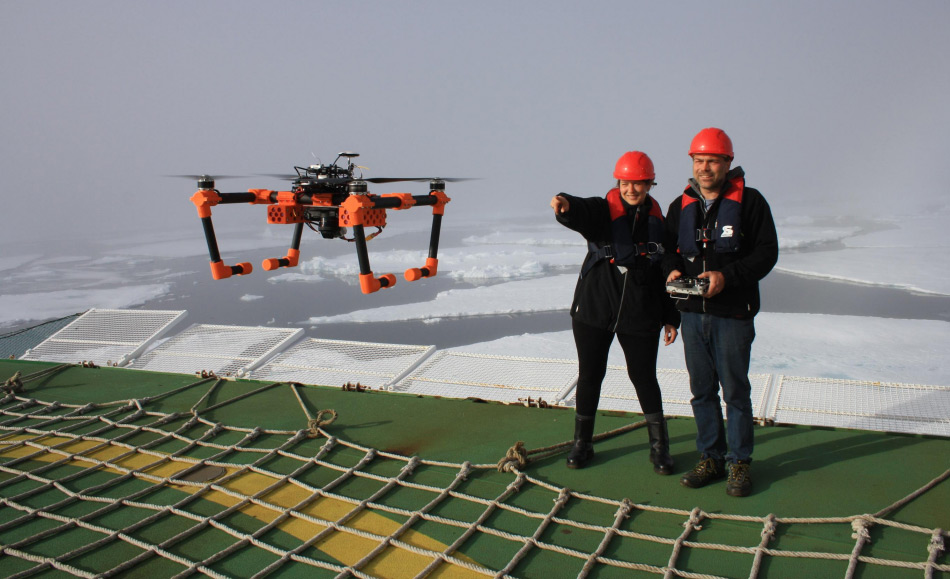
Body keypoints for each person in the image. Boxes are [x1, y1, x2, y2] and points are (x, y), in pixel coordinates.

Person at [663, 128, 778, 497]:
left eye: (712, 160)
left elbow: (765, 253)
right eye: (699, 160)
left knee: (735, 391)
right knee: (701, 391)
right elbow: (667, 249)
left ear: (727, 162)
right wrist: (673, 270)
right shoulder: (679, 206)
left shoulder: (751, 203)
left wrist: (727, 277)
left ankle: (739, 462)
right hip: (693, 314)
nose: (705, 167)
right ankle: (710, 457)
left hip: (733, 314)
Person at [550, 151, 680, 475]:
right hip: (594, 309)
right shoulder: (604, 211)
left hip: (640, 312)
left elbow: (666, 266)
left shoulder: (658, 224)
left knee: (644, 377)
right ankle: (582, 444)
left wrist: (671, 315)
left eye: (638, 183)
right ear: (618, 182)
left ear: (650, 184)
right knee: (591, 374)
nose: (631, 189)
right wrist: (566, 205)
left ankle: (659, 449)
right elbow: (582, 211)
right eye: (625, 182)